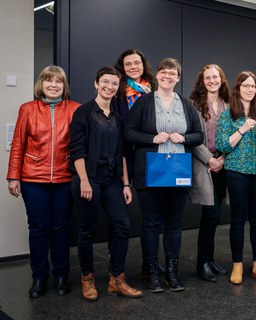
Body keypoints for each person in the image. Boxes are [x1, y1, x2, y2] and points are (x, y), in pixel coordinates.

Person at [125, 58, 203, 293]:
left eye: (173, 73)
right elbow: (128, 133)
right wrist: (151, 138)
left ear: (178, 78)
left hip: (178, 171)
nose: (168, 76)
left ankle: (171, 271)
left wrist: (184, 138)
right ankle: (152, 273)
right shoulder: (144, 102)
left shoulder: (187, 105)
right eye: (164, 72)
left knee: (173, 224)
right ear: (157, 75)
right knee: (150, 223)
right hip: (151, 171)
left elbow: (198, 135)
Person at [69, 66, 143, 301]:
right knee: (87, 231)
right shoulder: (83, 112)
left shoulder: (118, 118)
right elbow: (76, 151)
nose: (109, 87)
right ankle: (87, 278)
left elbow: (122, 153)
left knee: (122, 226)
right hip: (88, 179)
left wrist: (125, 184)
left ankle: (116, 279)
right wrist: (83, 181)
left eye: (114, 83)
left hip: (112, 181)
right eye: (105, 82)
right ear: (96, 83)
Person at [7, 66, 80, 298]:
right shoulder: (27, 109)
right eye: (48, 80)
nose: (53, 85)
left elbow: (80, 145)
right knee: (38, 229)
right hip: (32, 179)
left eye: (58, 81)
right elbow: (18, 143)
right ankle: (39, 277)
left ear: (64, 85)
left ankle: (60, 275)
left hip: (64, 177)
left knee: (60, 229)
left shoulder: (74, 109)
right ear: (41, 84)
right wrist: (13, 176)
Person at [215, 71, 256, 285]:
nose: (250, 89)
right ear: (237, 88)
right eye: (245, 85)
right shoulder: (228, 114)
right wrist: (242, 129)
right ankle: (237, 264)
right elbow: (221, 145)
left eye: (253, 86)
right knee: (238, 219)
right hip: (236, 171)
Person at [112, 48, 164, 276]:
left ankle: (149, 263)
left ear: (144, 65)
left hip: (149, 154)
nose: (133, 67)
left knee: (152, 215)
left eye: (137, 63)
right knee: (118, 216)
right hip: (121, 154)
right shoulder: (116, 92)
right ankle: (116, 269)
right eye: (128, 64)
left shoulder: (155, 90)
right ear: (122, 68)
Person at [189, 64, 229, 282]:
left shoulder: (228, 104)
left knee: (215, 215)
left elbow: (233, 134)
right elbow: (192, 137)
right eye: (208, 78)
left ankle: (210, 258)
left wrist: (222, 158)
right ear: (202, 81)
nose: (212, 80)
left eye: (216, 77)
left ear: (221, 79)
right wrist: (210, 160)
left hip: (223, 164)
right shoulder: (194, 105)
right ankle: (202, 262)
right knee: (210, 214)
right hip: (204, 164)